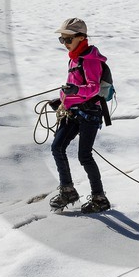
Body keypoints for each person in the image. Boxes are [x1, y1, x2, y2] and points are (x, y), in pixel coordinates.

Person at [48, 17, 112, 214]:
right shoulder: (74, 58)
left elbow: (92, 89)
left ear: (81, 37)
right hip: (75, 111)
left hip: (90, 113)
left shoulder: (90, 59)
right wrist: (62, 100)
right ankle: (68, 190)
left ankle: (99, 198)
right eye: (62, 40)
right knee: (57, 147)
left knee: (84, 156)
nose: (64, 43)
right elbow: (73, 86)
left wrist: (75, 89)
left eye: (67, 39)